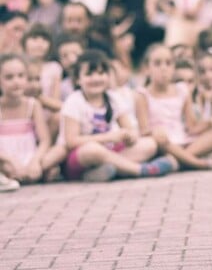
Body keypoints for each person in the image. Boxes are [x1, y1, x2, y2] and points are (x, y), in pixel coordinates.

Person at [59, 49, 174, 181]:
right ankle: (140, 170)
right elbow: (71, 142)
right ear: (78, 79)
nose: (96, 78)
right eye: (89, 74)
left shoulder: (113, 98)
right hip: (80, 158)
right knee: (93, 149)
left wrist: (129, 136)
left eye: (101, 73)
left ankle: (104, 172)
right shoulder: (74, 101)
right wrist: (108, 137)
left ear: (108, 76)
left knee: (149, 144)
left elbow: (130, 129)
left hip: (109, 152)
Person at [136, 45, 212, 170]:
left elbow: (192, 127)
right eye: (157, 64)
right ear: (147, 69)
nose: (164, 68)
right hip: (163, 143)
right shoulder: (142, 95)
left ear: (174, 67)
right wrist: (154, 131)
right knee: (160, 140)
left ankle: (179, 161)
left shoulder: (182, 89)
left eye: (168, 63)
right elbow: (143, 131)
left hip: (184, 140)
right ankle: (201, 163)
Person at [0, 54, 51, 184]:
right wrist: (10, 161)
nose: (16, 81)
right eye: (9, 77)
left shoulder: (33, 105)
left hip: (30, 156)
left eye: (21, 76)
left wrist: (35, 161)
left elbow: (45, 140)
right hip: (5, 159)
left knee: (51, 161)